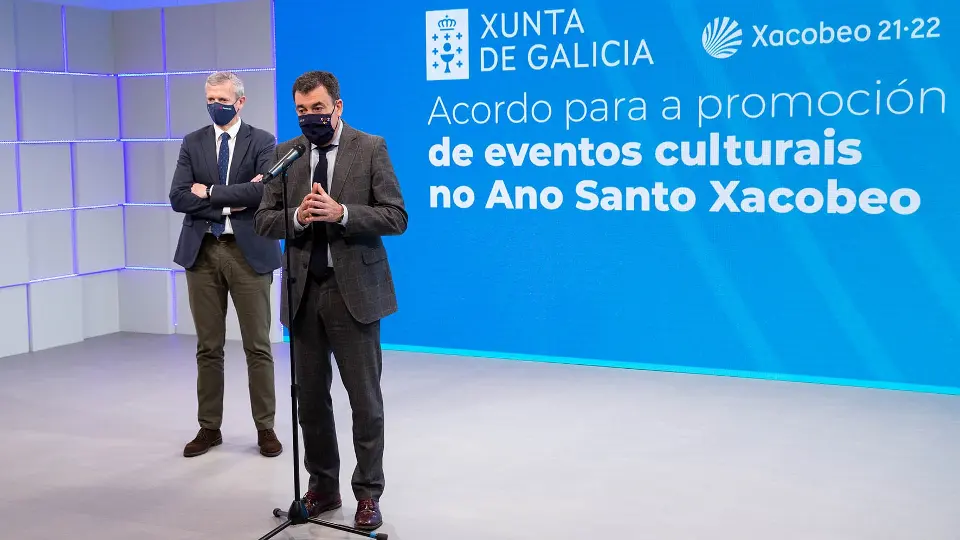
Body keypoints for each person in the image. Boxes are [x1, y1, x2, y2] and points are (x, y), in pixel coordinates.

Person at [254, 70, 407, 530]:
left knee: (364, 399)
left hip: (354, 293)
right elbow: (263, 221)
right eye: (301, 111)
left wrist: (342, 213)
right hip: (303, 294)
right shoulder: (286, 155)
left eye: (318, 109)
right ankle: (322, 486)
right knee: (311, 400)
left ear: (338, 107)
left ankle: (367, 493)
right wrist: (295, 218)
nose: (310, 118)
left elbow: (396, 215)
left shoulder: (370, 147)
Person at [169, 71, 283, 459]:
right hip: (202, 251)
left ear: (240, 101)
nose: (214, 105)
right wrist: (237, 198)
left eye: (221, 99)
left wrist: (214, 193)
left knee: (257, 346)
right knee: (208, 346)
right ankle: (209, 427)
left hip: (248, 252)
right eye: (209, 98)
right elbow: (179, 197)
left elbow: (264, 191)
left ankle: (265, 428)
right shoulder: (193, 142)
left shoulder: (264, 142)